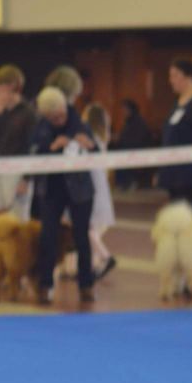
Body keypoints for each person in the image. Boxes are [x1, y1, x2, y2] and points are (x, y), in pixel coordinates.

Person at [32, 86, 96, 305]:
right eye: (52, 118)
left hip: (79, 189)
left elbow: (95, 150)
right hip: (51, 189)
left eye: (60, 115)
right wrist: (52, 147)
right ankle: (45, 285)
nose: (57, 120)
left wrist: (88, 145)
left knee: (81, 237)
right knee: (47, 237)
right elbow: (33, 151)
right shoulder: (40, 127)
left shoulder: (81, 124)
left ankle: (86, 285)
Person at [0, 65, 37, 220]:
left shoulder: (28, 112)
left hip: (16, 170)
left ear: (12, 86)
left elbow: (32, 147)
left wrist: (26, 178)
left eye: (1, 86)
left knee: (17, 218)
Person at [158, 58, 192, 211]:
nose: (171, 80)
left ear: (189, 76)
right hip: (174, 175)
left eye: (175, 75)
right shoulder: (177, 104)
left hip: (190, 176)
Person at [82, 102, 116, 280]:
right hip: (101, 187)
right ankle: (93, 265)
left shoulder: (89, 138)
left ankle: (105, 256)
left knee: (87, 228)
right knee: (92, 228)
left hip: (91, 187)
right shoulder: (102, 139)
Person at [113, 98, 152, 190]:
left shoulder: (138, 122)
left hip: (137, 152)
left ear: (130, 109)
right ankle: (123, 184)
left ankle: (131, 182)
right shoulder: (128, 122)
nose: (123, 112)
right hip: (127, 150)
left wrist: (120, 139)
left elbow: (137, 140)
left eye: (124, 110)